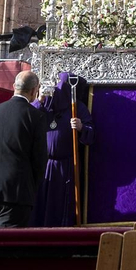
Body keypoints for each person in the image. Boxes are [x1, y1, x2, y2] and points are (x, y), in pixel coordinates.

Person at [0, 70, 48, 228]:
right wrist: (31, 187)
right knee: (8, 247)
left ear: (14, 86)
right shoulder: (36, 117)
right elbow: (39, 159)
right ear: (35, 90)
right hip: (16, 193)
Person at [32, 72, 92, 227]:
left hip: (66, 166)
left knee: (59, 203)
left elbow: (91, 132)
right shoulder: (47, 102)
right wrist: (40, 101)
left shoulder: (78, 107)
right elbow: (30, 115)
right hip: (44, 164)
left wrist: (81, 127)